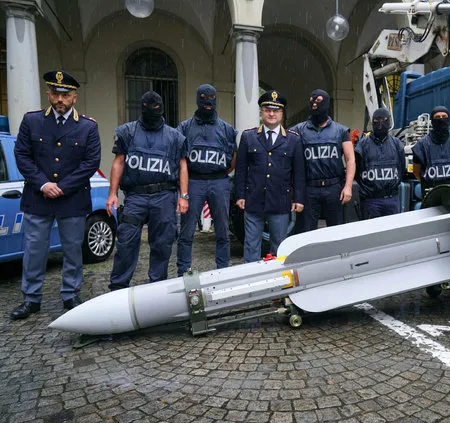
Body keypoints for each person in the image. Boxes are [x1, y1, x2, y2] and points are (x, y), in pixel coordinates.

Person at [10, 70, 101, 320]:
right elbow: (22, 156)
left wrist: (63, 186)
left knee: (72, 249)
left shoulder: (87, 127)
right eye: (56, 93)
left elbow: (91, 162)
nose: (60, 99)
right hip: (38, 198)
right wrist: (43, 184)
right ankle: (31, 298)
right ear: (48, 94)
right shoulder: (32, 121)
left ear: (75, 97)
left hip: (71, 198)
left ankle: (70, 294)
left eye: (66, 94)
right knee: (34, 250)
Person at [105, 91, 188, 290]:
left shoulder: (175, 137)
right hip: (136, 196)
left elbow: (183, 165)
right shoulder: (127, 132)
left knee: (162, 244)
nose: (152, 113)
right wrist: (112, 193)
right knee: (126, 243)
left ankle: (157, 287)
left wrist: (183, 196)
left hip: (164, 195)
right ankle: (118, 287)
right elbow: (119, 162)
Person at [235, 90, 305, 263]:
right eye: (267, 110)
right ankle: (250, 281)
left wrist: (299, 198)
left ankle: (277, 283)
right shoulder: (248, 137)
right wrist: (240, 195)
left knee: (279, 246)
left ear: (282, 114)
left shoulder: (293, 140)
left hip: (280, 201)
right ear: (261, 112)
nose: (272, 114)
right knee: (251, 245)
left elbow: (299, 173)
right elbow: (241, 169)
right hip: (253, 199)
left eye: (276, 110)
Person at [176, 84, 237, 275]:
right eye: (203, 97)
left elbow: (233, 158)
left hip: (219, 181)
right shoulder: (185, 127)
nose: (208, 102)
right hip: (193, 181)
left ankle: (222, 272)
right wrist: (184, 192)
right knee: (186, 232)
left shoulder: (227, 129)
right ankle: (184, 272)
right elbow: (180, 160)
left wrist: (220, 173)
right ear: (197, 99)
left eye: (211, 98)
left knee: (222, 230)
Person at [291, 89, 355, 232]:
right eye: (312, 100)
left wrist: (348, 186)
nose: (314, 104)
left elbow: (350, 159)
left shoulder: (341, 130)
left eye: (319, 101)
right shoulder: (298, 130)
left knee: (336, 231)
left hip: (334, 188)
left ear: (326, 103)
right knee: (306, 232)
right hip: (309, 189)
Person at [354, 108, 406, 219]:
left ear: (389, 122)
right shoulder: (362, 145)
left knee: (392, 233)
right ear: (372, 122)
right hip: (370, 201)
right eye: (376, 120)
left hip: (392, 198)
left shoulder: (397, 144)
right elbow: (356, 169)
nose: (380, 123)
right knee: (371, 234)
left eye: (384, 119)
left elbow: (402, 168)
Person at [412, 106, 450, 191]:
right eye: (437, 117)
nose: (441, 119)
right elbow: (416, 172)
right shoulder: (421, 145)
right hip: (431, 194)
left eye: (444, 117)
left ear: (448, 119)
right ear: (432, 121)